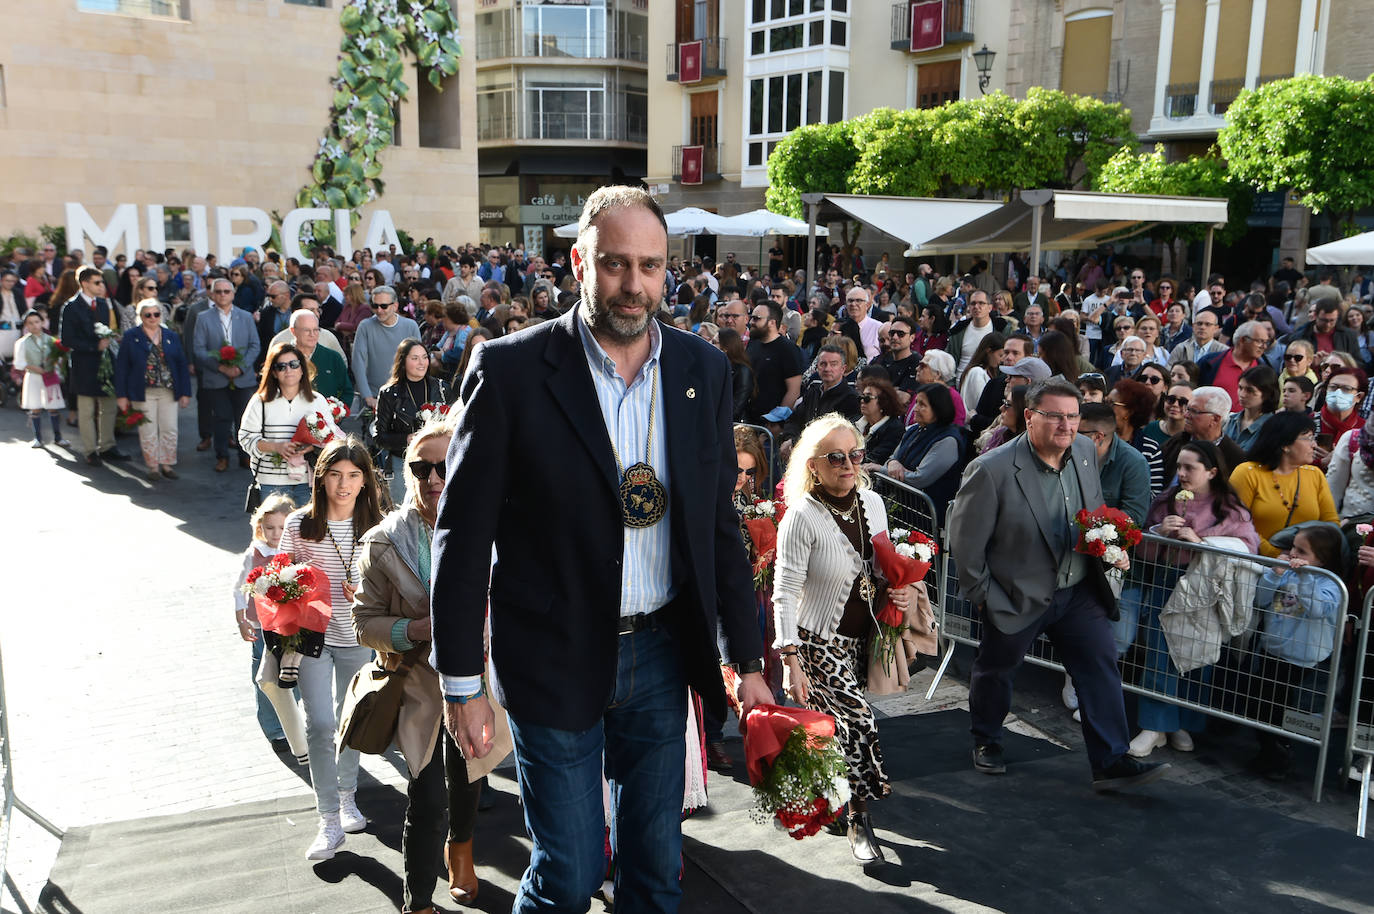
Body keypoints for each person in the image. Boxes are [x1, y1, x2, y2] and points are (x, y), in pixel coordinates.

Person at [430, 186, 770, 912]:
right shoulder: (511, 370)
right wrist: (462, 685)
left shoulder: (700, 371)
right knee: (571, 873)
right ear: (580, 263)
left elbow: (717, 527)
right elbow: (461, 540)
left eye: (650, 267)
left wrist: (749, 661)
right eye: (616, 264)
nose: (635, 285)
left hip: (660, 655)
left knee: (656, 873)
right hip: (552, 653)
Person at [948, 379, 1168, 791]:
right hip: (1016, 595)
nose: (1067, 425)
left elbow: (1094, 509)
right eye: (1056, 416)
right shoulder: (991, 469)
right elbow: (965, 545)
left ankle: (1111, 760)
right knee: (996, 670)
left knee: (1100, 667)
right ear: (1030, 417)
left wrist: (1108, 546)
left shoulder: (1084, 450)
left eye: (1073, 416)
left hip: (1080, 589)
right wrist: (988, 599)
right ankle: (987, 740)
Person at [352, 415, 509, 911]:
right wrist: (411, 630)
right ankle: (417, 898)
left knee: (468, 771)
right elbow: (363, 622)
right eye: (422, 470)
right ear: (408, 473)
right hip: (418, 679)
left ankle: (460, 851)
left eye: (444, 467)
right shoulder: (384, 541)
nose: (434, 479)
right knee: (426, 793)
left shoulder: (495, 526)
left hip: (479, 674)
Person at [772, 414, 916, 864]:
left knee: (834, 730)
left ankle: (829, 798)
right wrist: (788, 658)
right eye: (836, 457)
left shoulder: (872, 503)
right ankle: (859, 817)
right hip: (817, 642)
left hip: (863, 634)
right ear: (814, 465)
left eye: (855, 455)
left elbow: (877, 563)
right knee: (860, 724)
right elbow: (785, 592)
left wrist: (899, 586)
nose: (848, 464)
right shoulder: (802, 516)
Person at [278, 437, 383, 860]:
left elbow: (394, 580)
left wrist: (364, 590)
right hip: (310, 638)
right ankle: (329, 819)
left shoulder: (379, 524)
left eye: (354, 476)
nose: (344, 485)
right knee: (320, 725)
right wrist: (301, 587)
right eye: (336, 475)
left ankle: (346, 795)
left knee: (350, 721)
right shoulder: (298, 525)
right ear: (320, 478)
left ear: (365, 481)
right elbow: (279, 582)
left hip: (359, 635)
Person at [1126, 441, 1258, 759]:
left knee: (1199, 654)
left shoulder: (1229, 507)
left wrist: (1204, 542)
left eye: (1190, 468)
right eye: (1179, 467)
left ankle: (1181, 721)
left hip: (1206, 589)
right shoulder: (1166, 501)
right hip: (1167, 582)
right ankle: (1154, 725)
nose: (1182, 474)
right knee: (1160, 652)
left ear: (1211, 471)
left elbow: (1249, 546)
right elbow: (1142, 544)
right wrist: (1159, 530)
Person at [1249, 524, 1344, 780]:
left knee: (1279, 705)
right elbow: (1262, 599)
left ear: (1322, 559)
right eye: (1293, 547)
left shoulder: (1331, 584)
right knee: (1260, 701)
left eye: (1301, 551)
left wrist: (1305, 576)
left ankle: (1280, 753)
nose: (1293, 554)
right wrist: (1274, 575)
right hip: (1273, 648)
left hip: (1302, 657)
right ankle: (1268, 749)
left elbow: (1317, 610)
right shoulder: (1287, 573)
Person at [234, 494, 308, 765]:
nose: (276, 534)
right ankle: (275, 730)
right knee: (265, 678)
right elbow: (239, 589)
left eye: (282, 527)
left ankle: (293, 722)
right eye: (270, 528)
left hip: (292, 627)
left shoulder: (296, 551)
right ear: (260, 527)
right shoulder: (255, 554)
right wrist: (241, 619)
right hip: (261, 626)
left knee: (293, 676)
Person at [238, 341, 344, 504]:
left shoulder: (317, 400)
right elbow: (245, 438)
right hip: (271, 483)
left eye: (294, 364)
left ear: (302, 369)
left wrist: (312, 446)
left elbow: (331, 439)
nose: (288, 370)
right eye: (281, 366)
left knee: (308, 530)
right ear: (273, 372)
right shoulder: (260, 402)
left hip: (307, 481)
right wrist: (276, 447)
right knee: (274, 530)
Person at [1230, 411, 1339, 556]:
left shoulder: (1315, 474)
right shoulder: (1248, 472)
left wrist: (1308, 558)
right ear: (1285, 445)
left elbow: (1331, 524)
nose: (1314, 445)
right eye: (1308, 438)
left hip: (1303, 567)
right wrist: (1275, 555)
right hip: (1255, 561)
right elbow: (1236, 524)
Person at [114, 299, 193, 481]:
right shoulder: (131, 336)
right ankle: (153, 466)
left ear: (161, 316)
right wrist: (122, 395)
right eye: (147, 315)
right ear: (140, 317)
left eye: (156, 314)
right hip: (143, 392)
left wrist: (185, 392)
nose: (152, 318)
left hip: (168, 390)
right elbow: (122, 367)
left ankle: (167, 464)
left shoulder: (171, 336)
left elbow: (181, 364)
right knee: (147, 430)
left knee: (170, 428)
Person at [61, 266, 129, 465]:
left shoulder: (101, 304)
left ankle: (107, 445)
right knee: (87, 409)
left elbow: (104, 330)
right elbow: (67, 339)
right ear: (85, 283)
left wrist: (110, 338)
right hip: (84, 365)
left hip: (105, 363)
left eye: (102, 282)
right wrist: (94, 346)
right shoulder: (71, 307)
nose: (101, 286)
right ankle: (91, 450)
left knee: (108, 406)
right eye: (97, 282)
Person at [194, 275, 260, 472]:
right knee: (221, 418)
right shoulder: (203, 318)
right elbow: (198, 349)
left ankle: (245, 455)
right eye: (218, 291)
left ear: (233, 294)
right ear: (212, 295)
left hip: (243, 377)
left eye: (226, 291)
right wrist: (221, 368)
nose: (222, 295)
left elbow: (254, 346)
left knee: (244, 419)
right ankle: (222, 456)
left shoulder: (246, 317)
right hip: (217, 377)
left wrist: (240, 367)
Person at [884, 384, 966, 527]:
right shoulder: (914, 430)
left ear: (938, 409)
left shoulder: (948, 440)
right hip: (902, 511)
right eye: (916, 402)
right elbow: (892, 458)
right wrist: (892, 464)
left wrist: (881, 470)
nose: (915, 408)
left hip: (925, 518)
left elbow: (920, 478)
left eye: (922, 405)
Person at [375, 339, 450, 471]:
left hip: (439, 460)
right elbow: (379, 437)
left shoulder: (442, 388)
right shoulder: (389, 393)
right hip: (403, 461)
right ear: (403, 361)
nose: (421, 363)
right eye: (415, 358)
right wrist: (406, 439)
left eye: (425, 357)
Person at [352, 285, 422, 411]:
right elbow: (358, 362)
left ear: (395, 306)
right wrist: (367, 396)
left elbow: (419, 362)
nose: (379, 310)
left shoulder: (411, 326)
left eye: (383, 306)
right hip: (374, 397)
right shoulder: (365, 326)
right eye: (375, 306)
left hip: (405, 396)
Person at [781, 344, 860, 449]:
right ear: (817, 367)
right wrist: (789, 439)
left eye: (833, 364)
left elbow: (835, 434)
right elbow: (794, 420)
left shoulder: (851, 398)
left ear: (843, 368)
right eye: (823, 364)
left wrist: (795, 442)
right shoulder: (813, 392)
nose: (827, 368)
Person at [13, 309, 70, 448]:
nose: (34, 325)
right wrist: (33, 367)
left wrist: (55, 366)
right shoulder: (22, 342)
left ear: (42, 322)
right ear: (26, 325)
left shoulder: (51, 340)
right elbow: (19, 363)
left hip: (49, 376)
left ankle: (58, 437)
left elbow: (59, 358)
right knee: (35, 407)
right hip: (33, 377)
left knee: (53, 407)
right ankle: (37, 438)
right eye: (30, 323)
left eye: (37, 322)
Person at [746, 300, 804, 424]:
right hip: (749, 418)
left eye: (756, 318)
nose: (751, 322)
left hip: (771, 424)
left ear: (772, 322)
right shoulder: (753, 343)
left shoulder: (788, 349)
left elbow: (793, 391)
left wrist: (776, 422)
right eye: (751, 317)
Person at [1198, 320, 1273, 411]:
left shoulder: (1266, 370)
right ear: (1243, 340)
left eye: (1266, 342)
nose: (1264, 346)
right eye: (1260, 341)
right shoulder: (1209, 362)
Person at [1107, 379, 1164, 493]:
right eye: (1105, 402)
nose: (1105, 408)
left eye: (1111, 404)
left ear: (1129, 411)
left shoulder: (1150, 449)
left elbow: (1153, 493)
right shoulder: (1098, 440)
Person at [1224, 364, 1279, 452]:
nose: (1242, 394)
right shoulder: (1229, 420)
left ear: (1267, 394)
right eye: (1240, 388)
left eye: (1250, 390)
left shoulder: (1273, 428)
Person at [855, 376, 905, 465]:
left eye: (868, 398)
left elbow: (875, 458)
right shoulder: (856, 423)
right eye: (862, 397)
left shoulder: (894, 429)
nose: (862, 401)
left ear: (883, 401)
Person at [959, 331, 1006, 415]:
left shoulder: (988, 372)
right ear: (989, 351)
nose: (1002, 360)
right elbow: (980, 404)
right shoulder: (977, 373)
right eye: (1000, 355)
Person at [718, 327, 754, 421]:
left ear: (725, 348)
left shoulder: (742, 370)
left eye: (714, 342)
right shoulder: (716, 366)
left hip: (733, 425)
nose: (709, 344)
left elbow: (736, 407)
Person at [1144, 383, 1191, 448]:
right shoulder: (1150, 428)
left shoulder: (1193, 436)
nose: (1175, 404)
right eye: (1171, 399)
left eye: (1183, 401)